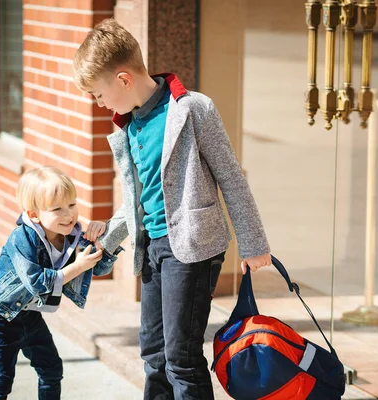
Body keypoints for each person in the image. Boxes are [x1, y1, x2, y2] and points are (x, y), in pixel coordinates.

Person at [73, 18, 272, 399]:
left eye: (99, 95)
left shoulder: (191, 109)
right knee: (153, 352)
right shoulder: (128, 125)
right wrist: (107, 241)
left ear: (123, 79)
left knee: (181, 355)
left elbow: (231, 176)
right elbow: (139, 200)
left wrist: (253, 242)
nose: (99, 105)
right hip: (152, 249)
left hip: (193, 248)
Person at [0, 166, 121, 399]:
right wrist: (77, 266)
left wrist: (103, 237)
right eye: (57, 209)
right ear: (34, 215)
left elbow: (99, 267)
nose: (68, 215)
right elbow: (36, 282)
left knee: (52, 370)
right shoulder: (22, 239)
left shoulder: (72, 236)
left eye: (72, 205)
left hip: (30, 314)